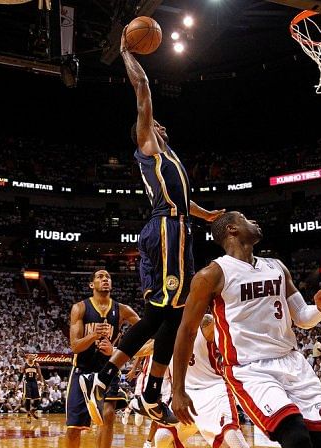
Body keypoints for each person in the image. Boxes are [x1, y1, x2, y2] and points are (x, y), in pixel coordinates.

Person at [79, 26, 224, 427]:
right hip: (166, 231)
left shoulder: (170, 157)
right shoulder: (147, 145)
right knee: (165, 313)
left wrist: (207, 216)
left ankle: (133, 385)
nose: (159, 124)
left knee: (170, 314)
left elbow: (181, 201)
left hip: (177, 228)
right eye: (153, 123)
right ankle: (127, 383)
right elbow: (142, 88)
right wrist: (128, 52)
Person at [172, 211, 321, 448]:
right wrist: (178, 389)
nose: (257, 222)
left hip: (292, 363)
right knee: (297, 439)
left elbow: (301, 318)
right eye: (248, 219)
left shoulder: (277, 267)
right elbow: (185, 331)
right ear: (233, 229)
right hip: (251, 369)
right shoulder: (212, 275)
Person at [146, 314, 270, 448]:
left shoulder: (204, 322)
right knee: (161, 438)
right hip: (184, 396)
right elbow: (138, 349)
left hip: (213, 391)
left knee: (235, 439)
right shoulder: (166, 335)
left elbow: (228, 318)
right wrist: (114, 353)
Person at [66, 269, 140, 448]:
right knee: (74, 429)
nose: (105, 278)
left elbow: (144, 333)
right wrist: (93, 336)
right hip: (82, 373)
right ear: (92, 284)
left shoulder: (123, 310)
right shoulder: (80, 308)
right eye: (99, 276)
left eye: (108, 276)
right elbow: (75, 346)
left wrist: (118, 353)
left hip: (108, 372)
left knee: (108, 416)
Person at [22, 353, 45, 423]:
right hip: (27, 382)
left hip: (34, 382)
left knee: (38, 399)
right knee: (28, 399)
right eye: (30, 356)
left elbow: (40, 375)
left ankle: (33, 410)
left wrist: (42, 383)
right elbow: (21, 375)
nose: (31, 357)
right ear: (27, 357)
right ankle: (28, 415)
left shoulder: (36, 365)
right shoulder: (25, 365)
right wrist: (17, 385)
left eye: (32, 356)